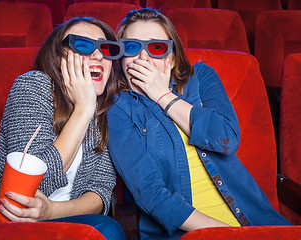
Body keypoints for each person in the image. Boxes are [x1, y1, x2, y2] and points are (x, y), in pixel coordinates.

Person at [107, 8, 291, 240]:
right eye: (132, 47)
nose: (143, 58)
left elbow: (226, 139)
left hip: (253, 222)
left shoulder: (202, 77)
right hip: (188, 233)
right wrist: (229, 235)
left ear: (172, 58)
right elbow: (151, 194)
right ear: (121, 57)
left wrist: (162, 95)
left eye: (156, 48)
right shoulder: (116, 107)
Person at [0, 17, 126, 240]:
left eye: (106, 48)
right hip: (7, 223)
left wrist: (51, 210)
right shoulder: (33, 86)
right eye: (83, 45)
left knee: (107, 230)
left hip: (64, 222)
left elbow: (100, 193)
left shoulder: (108, 109)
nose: (98, 55)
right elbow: (28, 187)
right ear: (60, 56)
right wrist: (83, 110)